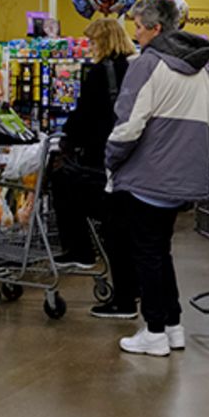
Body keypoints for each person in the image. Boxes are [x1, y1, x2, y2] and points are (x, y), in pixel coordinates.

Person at [107, 0, 209, 356]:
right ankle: (173, 325)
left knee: (146, 253)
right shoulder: (199, 70)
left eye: (139, 28)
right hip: (183, 180)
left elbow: (128, 124)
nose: (135, 35)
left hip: (148, 176)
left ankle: (155, 331)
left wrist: (111, 161)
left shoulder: (147, 65)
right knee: (160, 251)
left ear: (156, 29)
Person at [52, 19, 140, 319]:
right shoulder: (135, 69)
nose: (88, 47)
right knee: (124, 227)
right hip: (131, 158)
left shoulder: (100, 73)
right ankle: (131, 289)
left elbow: (84, 116)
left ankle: (81, 252)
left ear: (103, 41)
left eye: (91, 42)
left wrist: (65, 141)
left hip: (101, 158)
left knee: (64, 184)